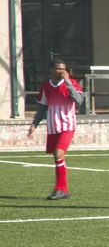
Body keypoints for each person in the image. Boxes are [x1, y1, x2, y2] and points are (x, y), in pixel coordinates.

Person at [27, 58, 84, 200]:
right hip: (53, 127)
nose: (62, 71)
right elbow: (42, 107)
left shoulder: (72, 83)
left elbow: (78, 101)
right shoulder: (46, 85)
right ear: (51, 70)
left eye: (64, 69)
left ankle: (59, 189)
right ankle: (63, 190)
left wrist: (68, 82)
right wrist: (34, 124)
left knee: (58, 154)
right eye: (58, 68)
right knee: (57, 157)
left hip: (67, 126)